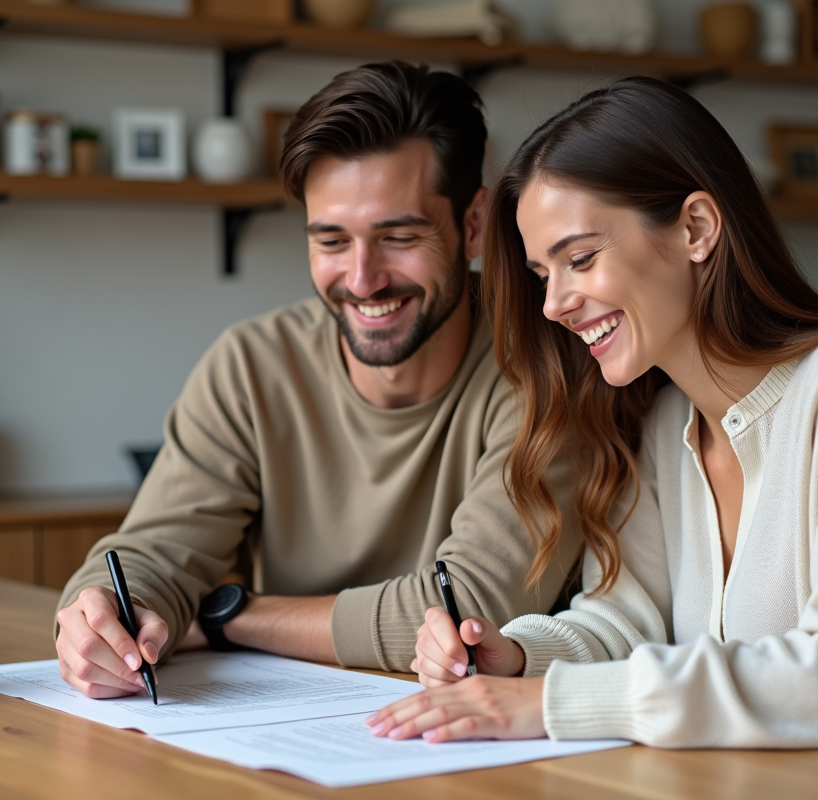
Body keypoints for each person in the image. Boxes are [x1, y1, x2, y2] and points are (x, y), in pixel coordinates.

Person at [368, 77, 818, 779]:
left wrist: (550, 700)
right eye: (542, 273)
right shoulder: (665, 420)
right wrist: (512, 658)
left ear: (697, 228)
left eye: (580, 259)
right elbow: (626, 622)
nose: (552, 304)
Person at [53, 62, 583, 699]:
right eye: (331, 240)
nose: (362, 279)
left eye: (399, 236)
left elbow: (471, 613)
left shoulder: (548, 362)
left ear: (472, 225)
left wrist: (231, 616)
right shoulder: (251, 365)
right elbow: (154, 553)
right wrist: (103, 617)